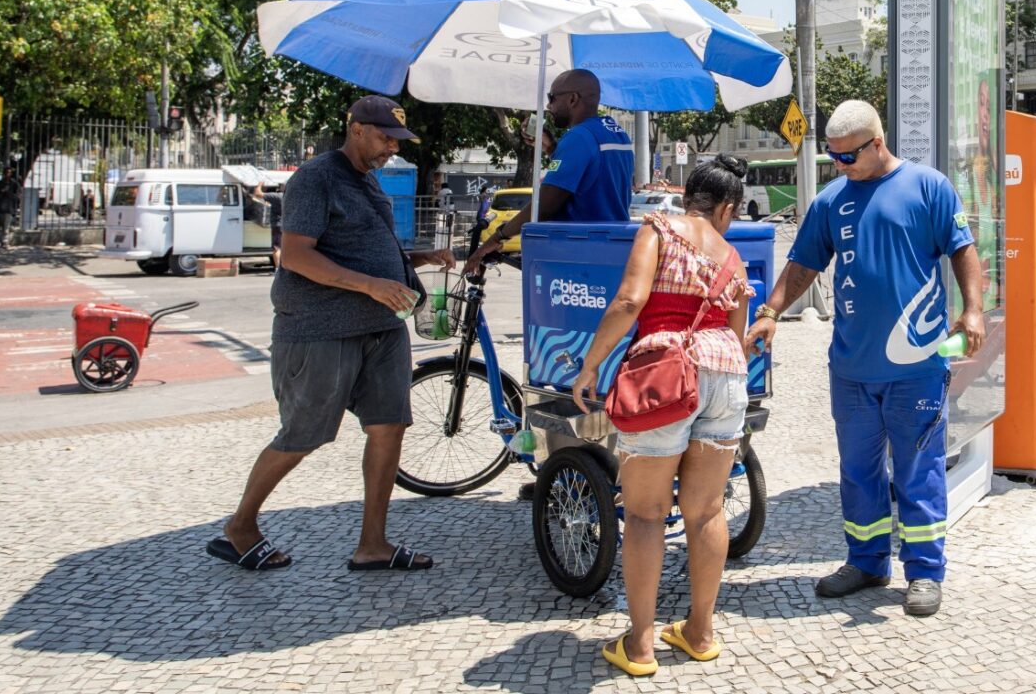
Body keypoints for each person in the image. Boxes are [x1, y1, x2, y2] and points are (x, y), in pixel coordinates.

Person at [743, 100, 984, 618]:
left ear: (877, 143)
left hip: (917, 368)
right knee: (857, 471)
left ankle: (923, 572)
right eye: (832, 158)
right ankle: (867, 560)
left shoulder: (928, 187)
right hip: (850, 369)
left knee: (918, 470)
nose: (839, 167)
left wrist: (973, 310)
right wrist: (769, 312)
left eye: (848, 157)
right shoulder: (832, 201)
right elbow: (802, 264)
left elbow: (962, 248)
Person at [207, 96, 455, 572]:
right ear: (357, 129)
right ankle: (240, 525)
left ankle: (373, 544)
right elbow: (297, 256)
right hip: (321, 330)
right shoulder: (316, 178)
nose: (391, 149)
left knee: (389, 425)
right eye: (385, 138)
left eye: (396, 140)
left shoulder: (368, 180)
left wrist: (418, 257)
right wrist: (370, 284)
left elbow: (364, 243)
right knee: (304, 434)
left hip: (383, 328)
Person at [571, 154, 754, 676]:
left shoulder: (657, 229)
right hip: (725, 375)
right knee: (706, 511)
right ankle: (699, 632)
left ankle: (642, 644)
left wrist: (590, 367)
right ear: (725, 208)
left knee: (648, 513)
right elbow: (737, 332)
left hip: (665, 377)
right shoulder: (732, 255)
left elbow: (630, 300)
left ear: (689, 197)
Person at [466, 69, 633, 266]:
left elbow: (545, 205)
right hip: (613, 250)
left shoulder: (578, 137)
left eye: (552, 98)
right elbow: (590, 176)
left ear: (572, 99)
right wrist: (552, 148)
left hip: (580, 254)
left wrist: (497, 237)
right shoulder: (616, 133)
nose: (548, 105)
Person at [0, 167, 21, 248]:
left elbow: (18, 197)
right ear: (3, 174)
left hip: (8, 209)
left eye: (9, 173)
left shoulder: (14, 184)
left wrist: (8, 193)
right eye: (6, 173)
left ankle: (4, 241)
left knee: (6, 228)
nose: (7, 174)